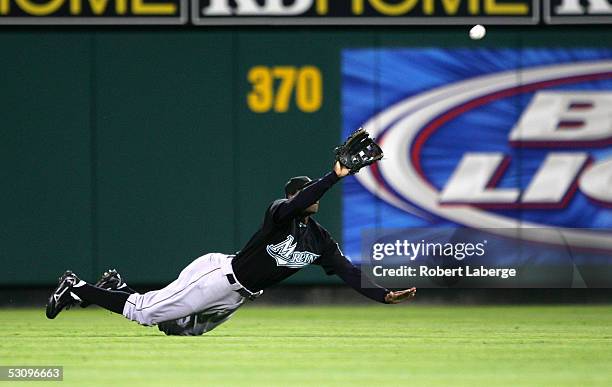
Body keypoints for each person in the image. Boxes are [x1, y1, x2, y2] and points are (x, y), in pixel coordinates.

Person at [46, 162, 417, 335]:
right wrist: (332, 177)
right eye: (299, 192)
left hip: (237, 297)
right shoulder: (280, 213)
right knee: (145, 314)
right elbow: (295, 202)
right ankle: (78, 287)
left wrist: (382, 296)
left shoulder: (319, 240)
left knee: (179, 330)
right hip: (218, 277)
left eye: (304, 193)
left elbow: (349, 272)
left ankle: (117, 288)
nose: (302, 197)